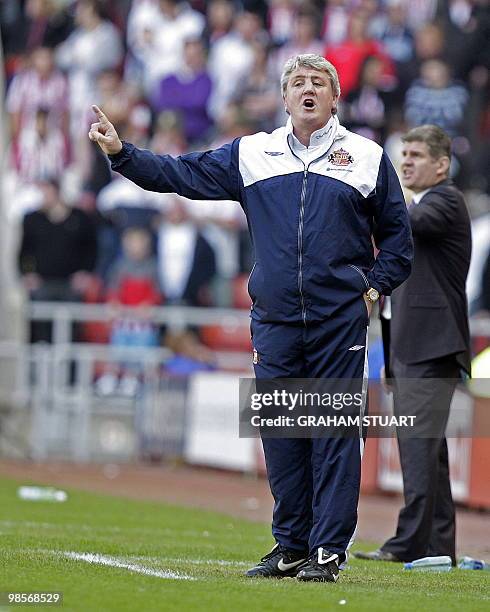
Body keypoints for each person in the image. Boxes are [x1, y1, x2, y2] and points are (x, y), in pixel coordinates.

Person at [89, 53, 413, 583]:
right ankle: (290, 545)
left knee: (331, 432)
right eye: (298, 83)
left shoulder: (367, 157)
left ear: (335, 98)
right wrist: (122, 153)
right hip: (275, 319)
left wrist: (374, 287)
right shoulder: (252, 153)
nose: (308, 90)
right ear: (284, 98)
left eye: (319, 83)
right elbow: (181, 173)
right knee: (282, 435)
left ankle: (327, 550)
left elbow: (399, 239)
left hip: (339, 321)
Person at [355, 125, 471, 565]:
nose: (406, 162)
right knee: (428, 450)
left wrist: (371, 191)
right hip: (412, 346)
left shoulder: (445, 201)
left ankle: (406, 544)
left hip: (429, 346)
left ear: (442, 166)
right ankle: (440, 548)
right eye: (404, 154)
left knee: (418, 448)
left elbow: (403, 222)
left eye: (417, 155)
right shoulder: (425, 203)